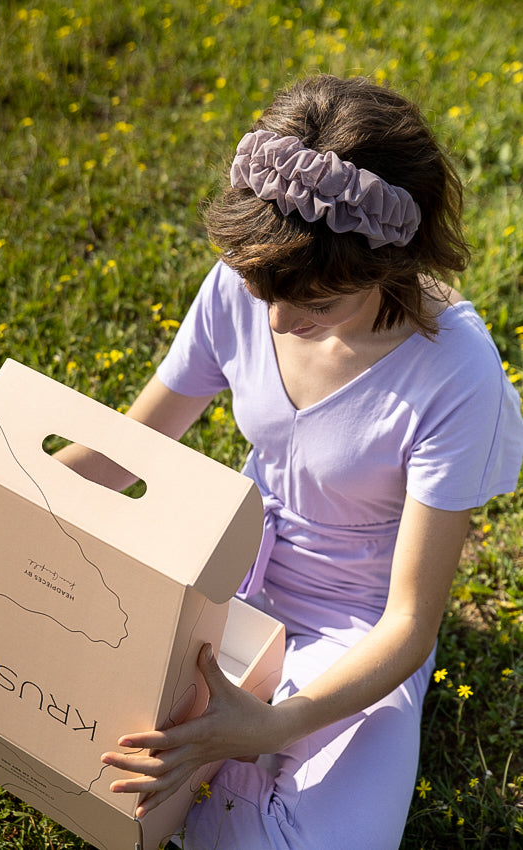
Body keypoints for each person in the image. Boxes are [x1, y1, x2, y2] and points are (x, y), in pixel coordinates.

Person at [59, 75, 523, 849]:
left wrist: (268, 725)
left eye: (314, 306)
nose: (275, 317)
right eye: (261, 288)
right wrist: (2, 492)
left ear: (390, 268)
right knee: (84, 737)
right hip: (227, 576)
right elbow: (129, 447)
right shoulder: (256, 281)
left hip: (359, 628)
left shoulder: (454, 373)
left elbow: (407, 623)